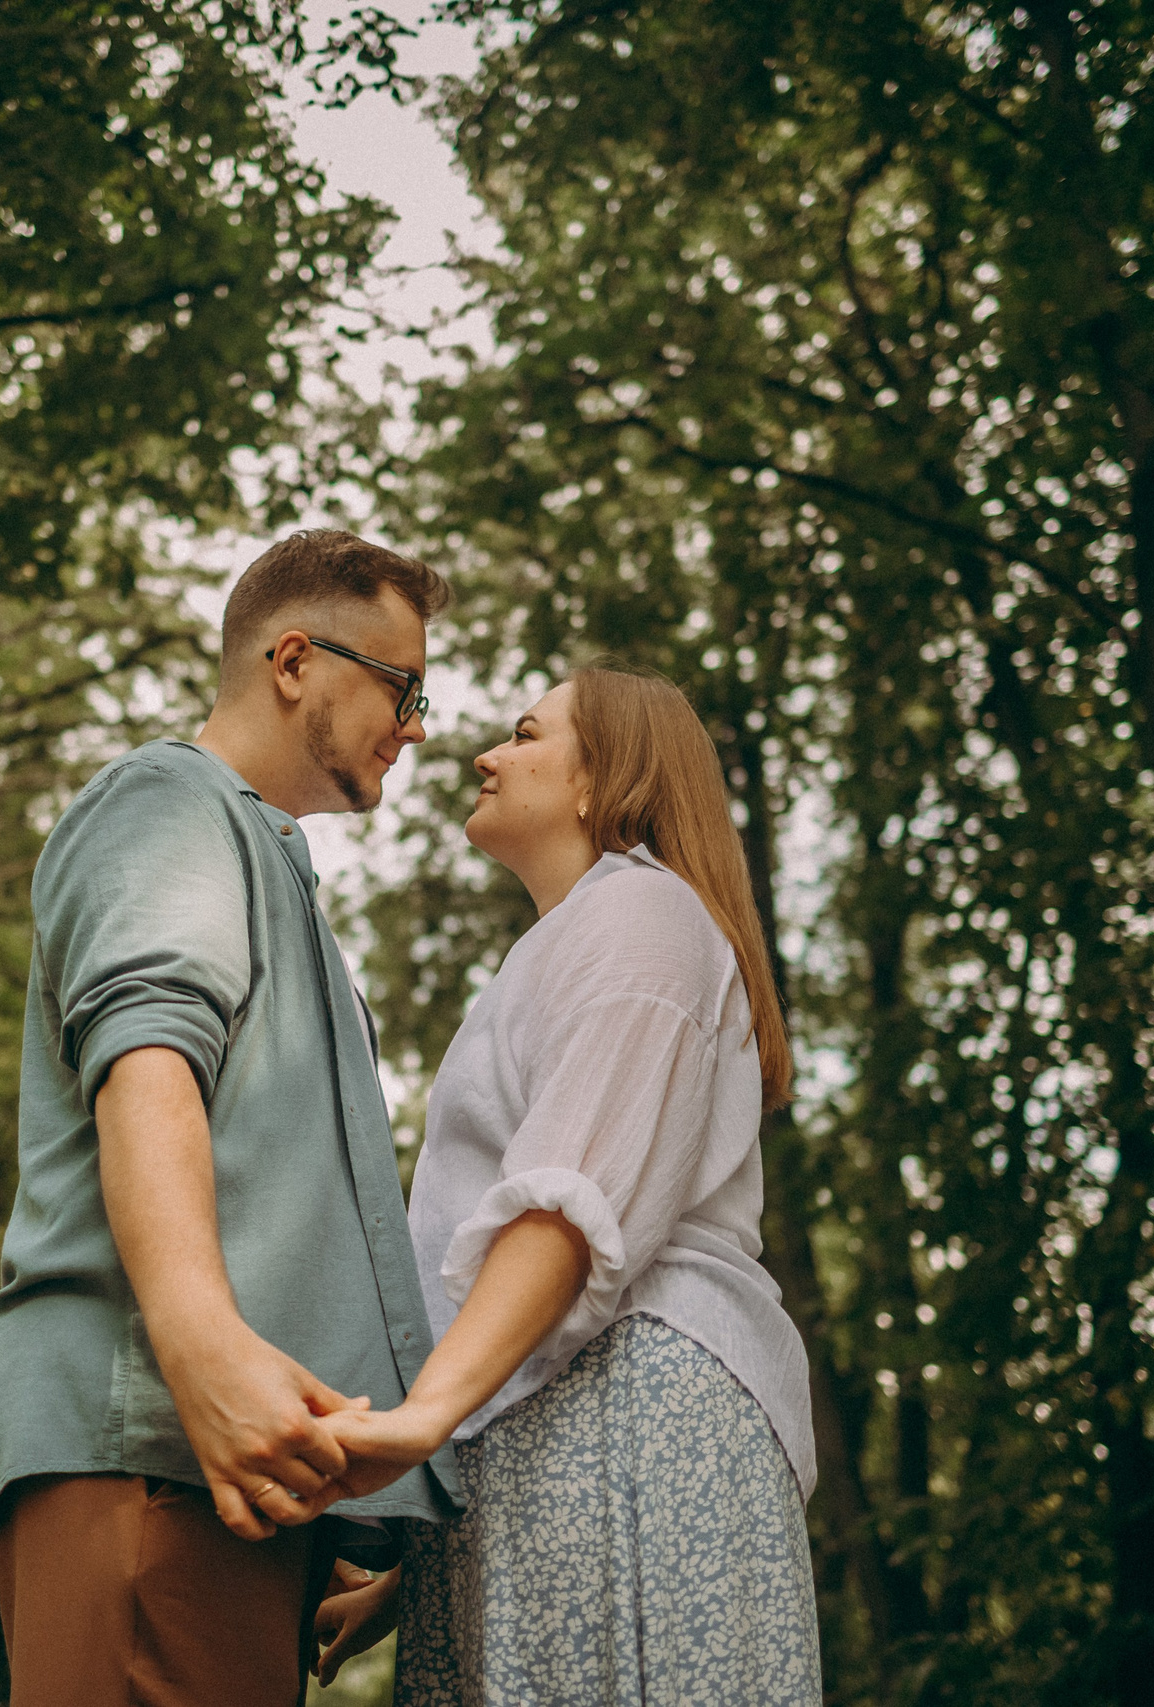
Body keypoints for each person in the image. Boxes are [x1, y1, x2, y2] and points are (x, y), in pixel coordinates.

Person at [0, 530, 464, 1707]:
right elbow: (147, 1062)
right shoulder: (170, 801)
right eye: (402, 687)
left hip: (216, 1483)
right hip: (145, 1460)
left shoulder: (265, 857)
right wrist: (201, 1341)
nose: (420, 725)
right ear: (294, 659)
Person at [314, 662, 824, 1704]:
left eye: (525, 734)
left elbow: (566, 1208)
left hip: (634, 1414)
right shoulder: (569, 942)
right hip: (552, 1433)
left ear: (605, 782)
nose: (484, 755)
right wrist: (418, 1563)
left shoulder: (643, 917)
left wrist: (416, 1425)